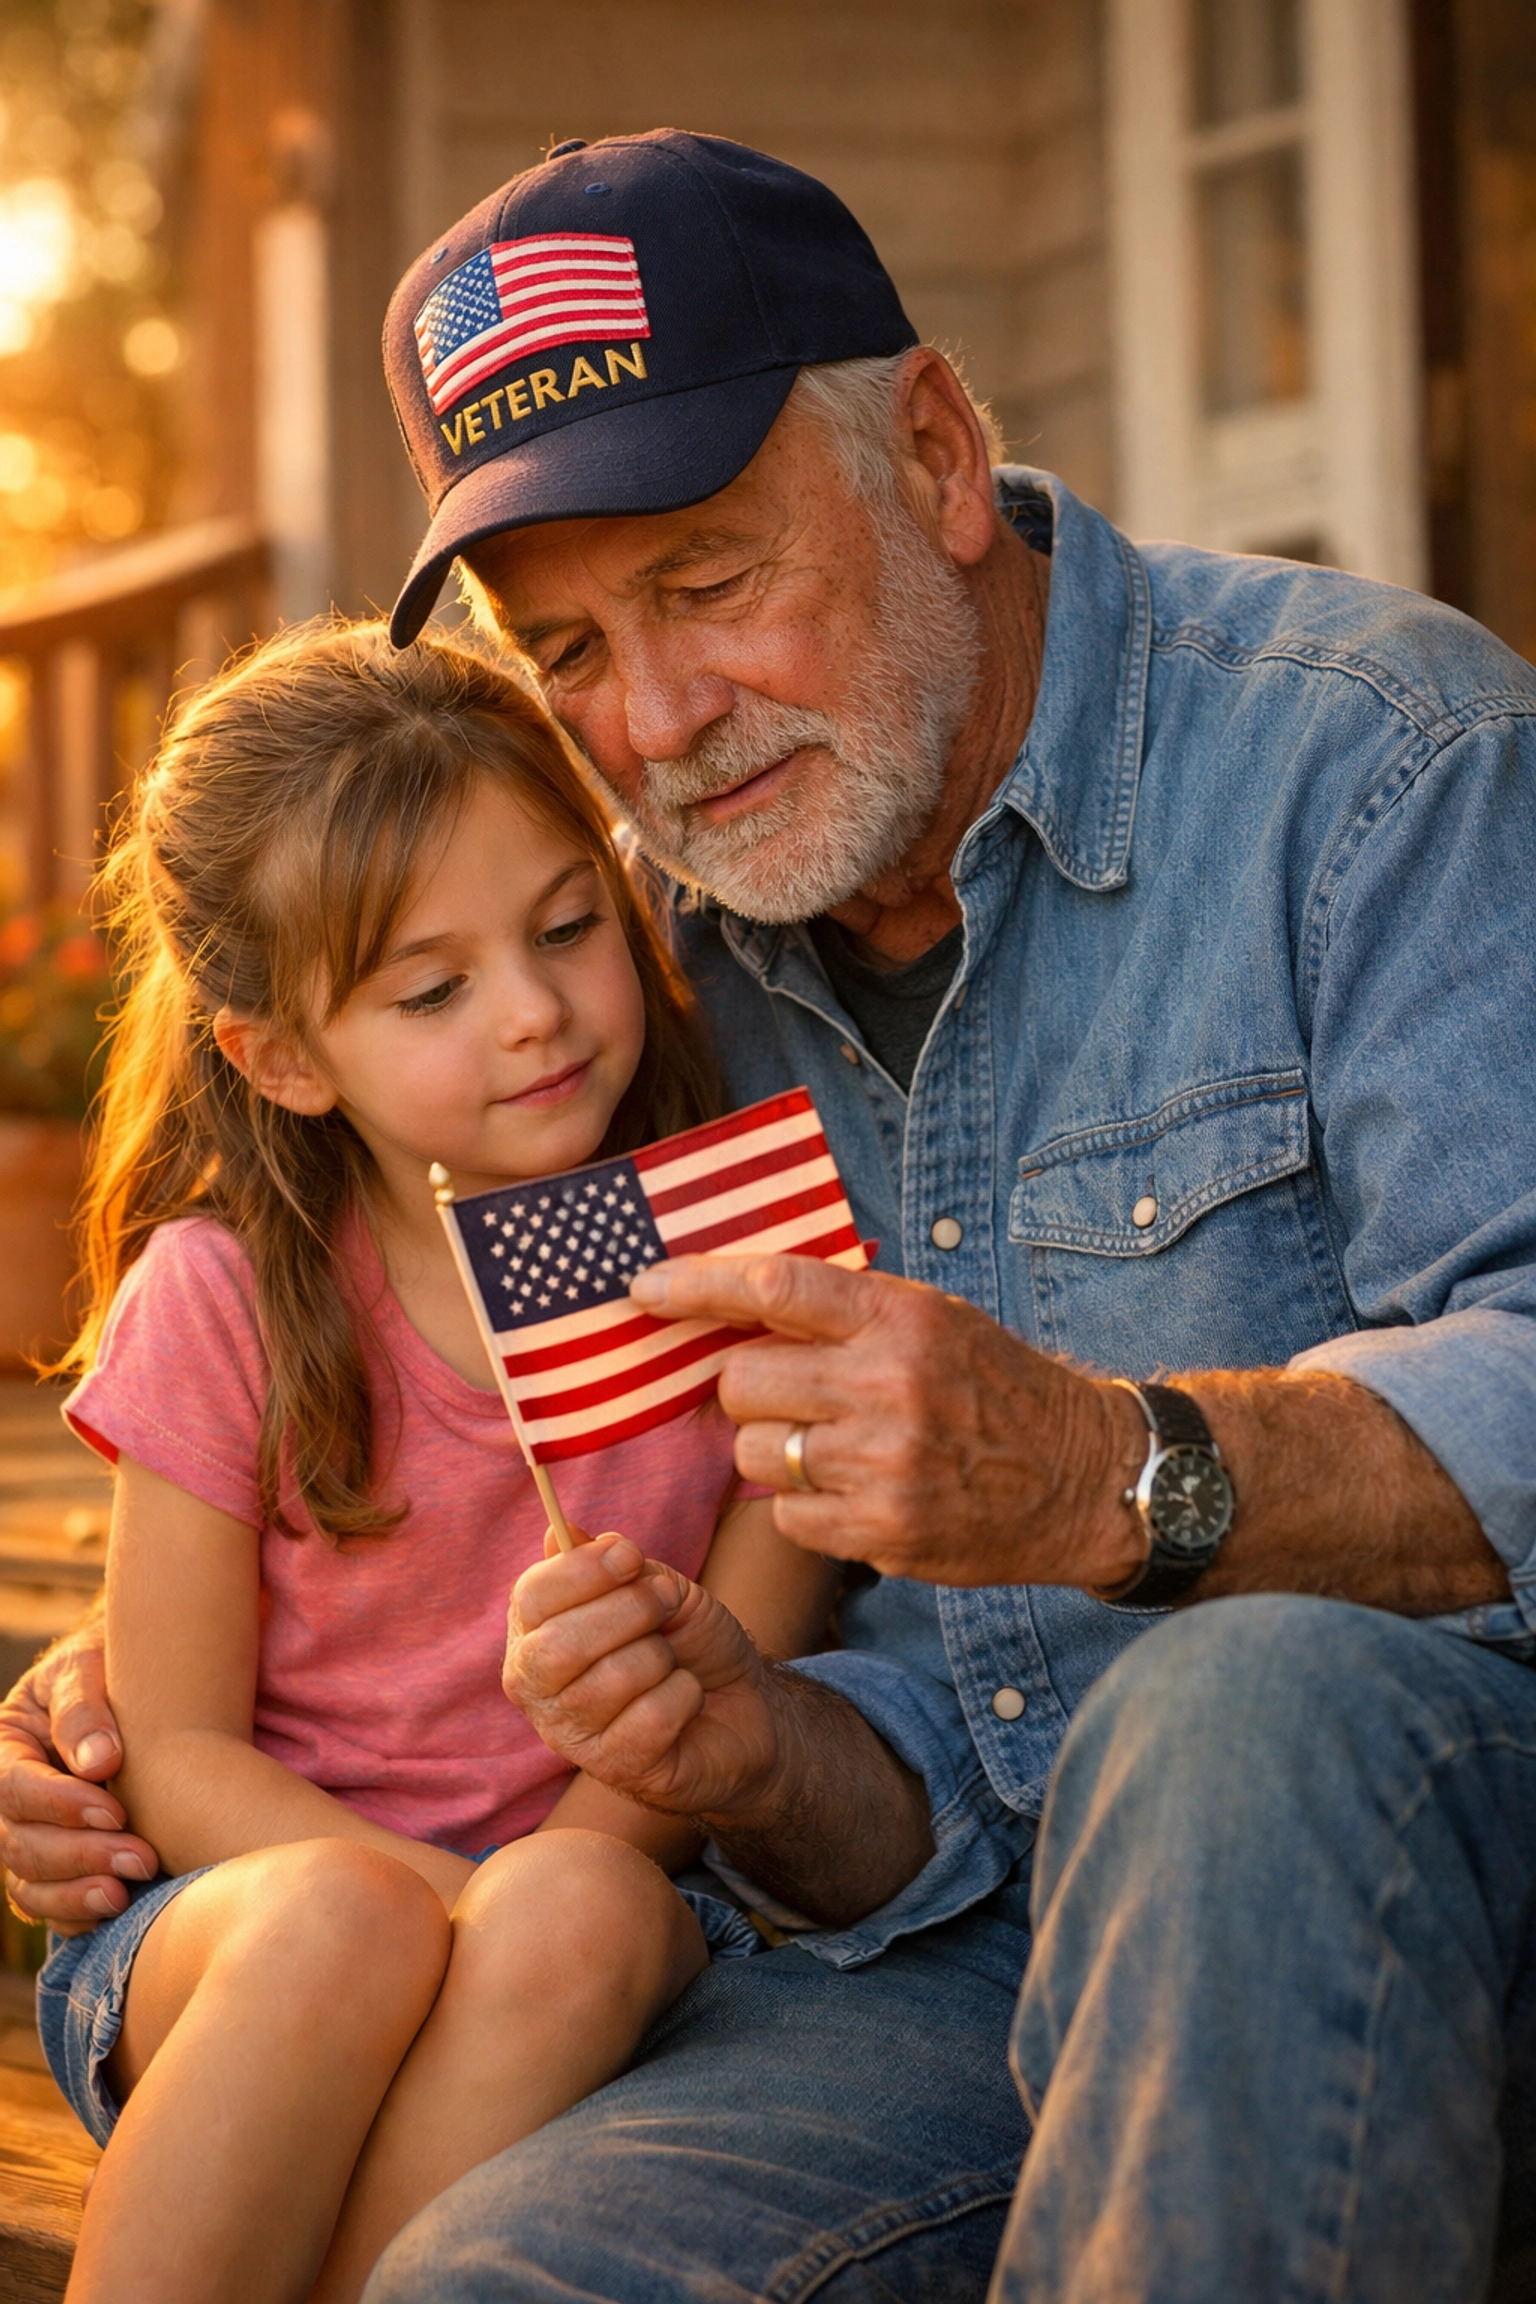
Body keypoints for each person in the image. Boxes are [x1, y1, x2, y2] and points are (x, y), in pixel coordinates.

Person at [6, 131, 1535, 2303]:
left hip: (1363, 1884)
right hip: (900, 1961)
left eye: (713, 588)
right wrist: (149, 1705)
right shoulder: (642, 961)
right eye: (571, 654)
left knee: (1238, 1706)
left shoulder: (1376, 767)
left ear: (932, 447)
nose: (653, 729)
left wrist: (1122, 1470)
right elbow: (374, 1385)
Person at [34, 618, 833, 2304]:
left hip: (584, 1921)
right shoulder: (227, 1298)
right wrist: (436, 1905)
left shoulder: (734, 1261)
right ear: (285, 1056)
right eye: (433, 989)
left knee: (591, 1909)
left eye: (567, 928)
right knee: (342, 1921)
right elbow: (176, 1752)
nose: (536, 1015)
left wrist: (520, 1903)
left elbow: (746, 1669)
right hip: (240, 1934)